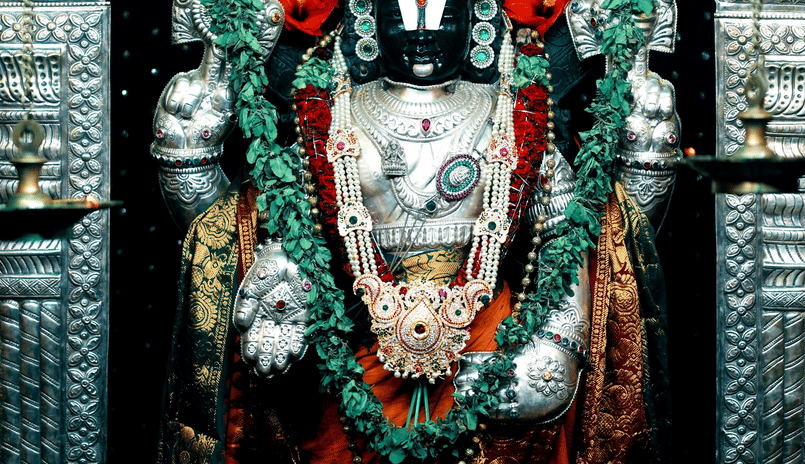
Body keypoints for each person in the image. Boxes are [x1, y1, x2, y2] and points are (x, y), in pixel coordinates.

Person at [154, 0, 672, 462]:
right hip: (358, 347)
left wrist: (558, 344)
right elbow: (261, 220)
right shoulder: (334, 118)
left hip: (489, 344)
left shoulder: (510, 116)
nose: (422, 33)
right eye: (401, 17)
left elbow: (572, 234)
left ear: (477, 22)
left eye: (442, 15)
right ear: (369, 22)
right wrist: (281, 271)